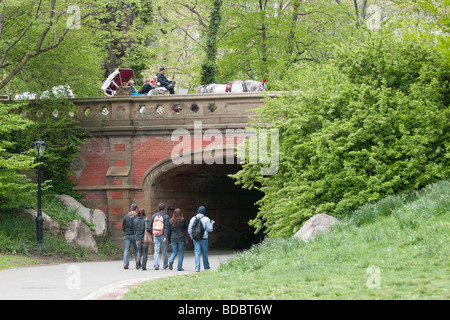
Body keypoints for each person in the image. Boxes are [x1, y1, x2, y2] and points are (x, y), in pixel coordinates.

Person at [188, 206, 215, 272]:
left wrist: (192, 237)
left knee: (197, 252)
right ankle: (206, 266)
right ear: (204, 212)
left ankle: (197, 268)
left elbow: (189, 229)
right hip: (204, 238)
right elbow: (210, 229)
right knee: (204, 253)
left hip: (196, 239)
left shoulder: (193, 218)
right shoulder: (206, 219)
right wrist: (211, 223)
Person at [147, 203, 171, 270]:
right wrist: (166, 236)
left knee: (156, 250)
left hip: (155, 234)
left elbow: (149, 225)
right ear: (164, 209)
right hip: (163, 235)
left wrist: (152, 232)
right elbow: (166, 227)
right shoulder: (166, 217)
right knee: (164, 250)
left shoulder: (154, 216)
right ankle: (165, 264)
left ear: (158, 208)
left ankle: (156, 265)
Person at [122, 204, 138, 269]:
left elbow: (123, 226)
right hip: (134, 234)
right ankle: (137, 263)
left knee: (126, 249)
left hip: (127, 234)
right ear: (136, 209)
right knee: (136, 249)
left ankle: (125, 264)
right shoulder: (137, 217)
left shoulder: (125, 216)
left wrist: (126, 231)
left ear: (131, 208)